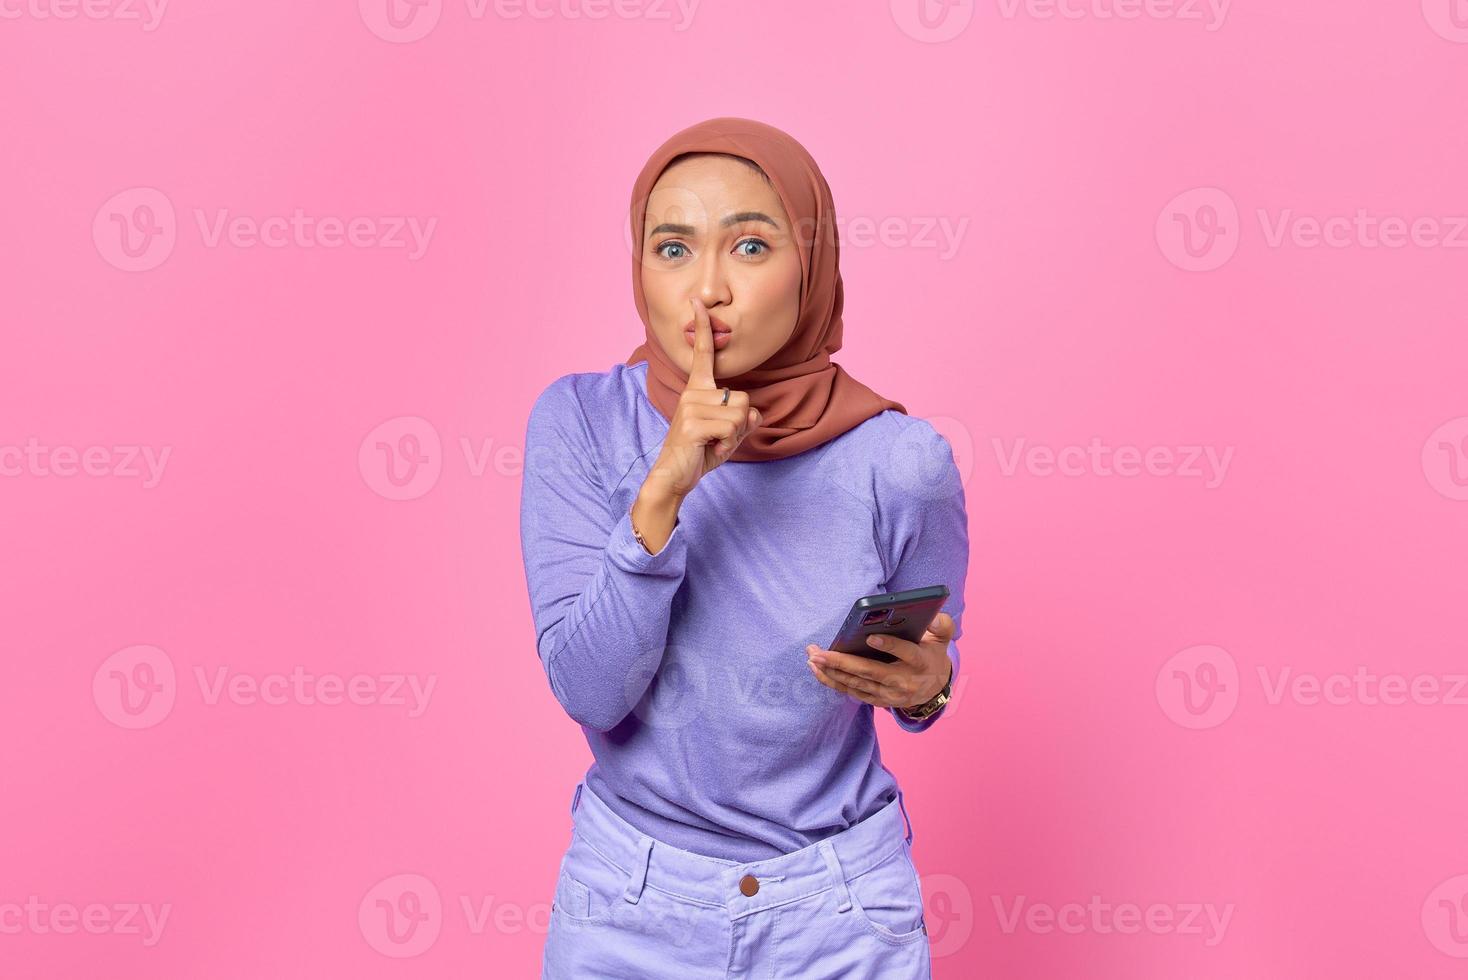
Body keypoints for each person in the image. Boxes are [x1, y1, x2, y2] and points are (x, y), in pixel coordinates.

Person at [519, 116, 969, 979]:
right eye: (674, 248)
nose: (707, 292)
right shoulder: (579, 422)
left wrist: (929, 691)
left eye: (752, 247)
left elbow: (926, 667)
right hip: (629, 905)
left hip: (838, 913)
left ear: (814, 267)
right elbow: (590, 692)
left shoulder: (901, 462)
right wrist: (664, 490)